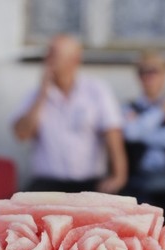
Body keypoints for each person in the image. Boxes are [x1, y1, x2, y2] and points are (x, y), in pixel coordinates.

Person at [12, 34, 127, 194]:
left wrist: (119, 176)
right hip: (47, 184)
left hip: (89, 183)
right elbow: (22, 134)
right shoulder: (35, 95)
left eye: (54, 54)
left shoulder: (96, 90)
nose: (48, 60)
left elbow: (113, 133)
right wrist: (42, 94)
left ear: (75, 60)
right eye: (48, 54)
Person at [121, 49, 165, 220]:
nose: (149, 76)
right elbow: (129, 134)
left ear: (164, 75)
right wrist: (160, 113)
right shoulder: (128, 107)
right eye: (144, 71)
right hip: (139, 181)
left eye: (154, 71)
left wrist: (142, 128)